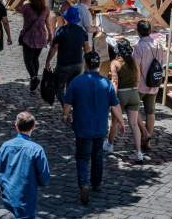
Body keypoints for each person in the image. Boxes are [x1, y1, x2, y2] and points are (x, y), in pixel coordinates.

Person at [62, 51, 125, 205]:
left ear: (86, 63)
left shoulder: (76, 82)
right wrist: (121, 122)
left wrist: (65, 115)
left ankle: (84, 184)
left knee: (83, 157)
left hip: (82, 127)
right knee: (97, 156)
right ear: (98, 65)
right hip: (100, 128)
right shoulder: (106, 83)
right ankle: (96, 183)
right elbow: (115, 105)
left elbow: (67, 105)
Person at [0, 112, 50, 219]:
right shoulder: (36, 149)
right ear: (34, 127)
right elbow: (45, 179)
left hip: (7, 198)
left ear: (16, 126)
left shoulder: (5, 146)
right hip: (26, 199)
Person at [104, 39, 149, 163]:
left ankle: (109, 144)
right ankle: (139, 152)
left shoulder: (115, 63)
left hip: (122, 94)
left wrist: (113, 98)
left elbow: (115, 82)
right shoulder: (134, 62)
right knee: (134, 124)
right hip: (134, 93)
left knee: (115, 122)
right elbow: (138, 79)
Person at [44, 6, 90, 104]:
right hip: (78, 64)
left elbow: (54, 48)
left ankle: (65, 106)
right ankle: (71, 107)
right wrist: (88, 65)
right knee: (72, 88)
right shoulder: (82, 32)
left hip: (63, 65)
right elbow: (87, 49)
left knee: (59, 88)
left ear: (66, 18)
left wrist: (48, 61)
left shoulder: (61, 31)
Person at [16, 0, 52, 91]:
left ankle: (34, 77)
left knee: (28, 60)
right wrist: (50, 34)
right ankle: (34, 78)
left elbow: (17, 8)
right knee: (35, 59)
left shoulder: (26, 7)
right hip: (41, 37)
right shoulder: (45, 9)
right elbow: (48, 24)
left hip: (29, 37)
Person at [132, 20, 161, 151]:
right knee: (150, 111)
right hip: (154, 82)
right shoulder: (158, 45)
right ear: (150, 31)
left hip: (141, 84)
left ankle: (145, 133)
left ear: (138, 32)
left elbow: (136, 67)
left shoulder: (138, 47)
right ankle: (147, 142)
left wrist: (135, 83)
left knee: (132, 109)